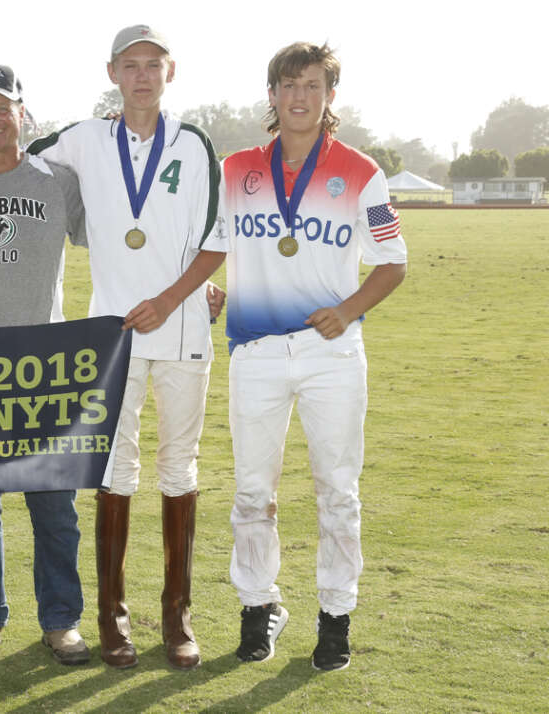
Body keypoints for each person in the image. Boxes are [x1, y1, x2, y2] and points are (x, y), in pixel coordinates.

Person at [27, 26, 226, 670]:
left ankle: (177, 616)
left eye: (153, 66)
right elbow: (18, 158)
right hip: (111, 337)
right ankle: (112, 618)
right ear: (112, 72)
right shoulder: (84, 138)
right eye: (130, 66)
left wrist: (173, 299)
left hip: (182, 328)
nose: (142, 76)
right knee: (113, 469)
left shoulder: (194, 144)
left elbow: (216, 241)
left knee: (179, 468)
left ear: (172, 71)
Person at [216, 42, 407, 671]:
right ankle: (258, 606)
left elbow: (392, 262)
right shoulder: (236, 167)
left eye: (313, 85)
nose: (300, 96)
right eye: (288, 84)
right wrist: (211, 289)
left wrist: (348, 310)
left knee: (337, 492)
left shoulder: (360, 171)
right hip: (257, 352)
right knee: (251, 492)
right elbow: (212, 247)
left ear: (330, 96)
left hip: (332, 354)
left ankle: (335, 617)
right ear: (271, 94)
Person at [0, 64, 90, 667]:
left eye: (1, 106)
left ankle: (61, 621)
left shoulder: (58, 181)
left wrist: (195, 291)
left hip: (44, 366)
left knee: (53, 507)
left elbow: (126, 242)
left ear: (21, 115)